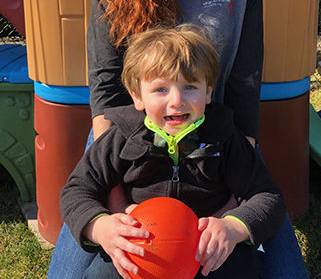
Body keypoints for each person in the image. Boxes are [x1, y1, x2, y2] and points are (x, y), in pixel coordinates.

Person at [48, 0, 309, 279]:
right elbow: (108, 90)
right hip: (125, 139)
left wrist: (231, 207)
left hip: (217, 140)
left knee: (284, 271)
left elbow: (244, 86)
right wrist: (114, 204)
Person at [60, 25, 287, 279]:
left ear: (209, 91)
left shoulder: (223, 138)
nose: (177, 100)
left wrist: (233, 228)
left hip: (208, 250)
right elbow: (77, 190)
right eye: (161, 89)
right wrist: (100, 226)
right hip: (139, 250)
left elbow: (267, 196)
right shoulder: (123, 138)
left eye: (190, 86)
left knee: (247, 270)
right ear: (137, 97)